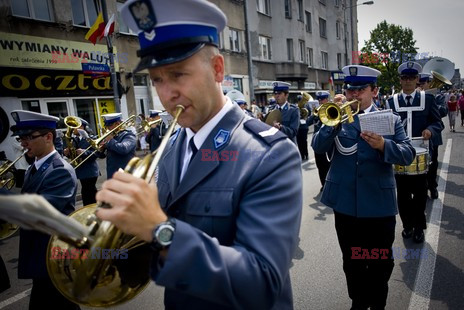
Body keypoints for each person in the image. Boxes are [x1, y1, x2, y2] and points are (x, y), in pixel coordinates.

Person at [95, 0, 303, 309]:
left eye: (178, 74)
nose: (167, 94)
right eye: (157, 80)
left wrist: (160, 229)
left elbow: (263, 282)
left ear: (218, 69)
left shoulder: (269, 154)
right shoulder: (173, 144)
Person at [312, 65, 415, 310]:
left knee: (381, 261)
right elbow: (318, 147)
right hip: (346, 204)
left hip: (378, 205)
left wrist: (382, 146)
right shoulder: (337, 116)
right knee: (352, 260)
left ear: (374, 91)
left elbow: (408, 153)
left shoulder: (390, 119)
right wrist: (331, 124)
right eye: (350, 90)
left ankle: (377, 301)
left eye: (360, 90)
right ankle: (358, 301)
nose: (354, 95)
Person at [9, 110, 79, 309]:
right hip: (40, 253)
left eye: (29, 137)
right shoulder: (35, 167)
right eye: (21, 138)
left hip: (53, 254)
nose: (23, 143)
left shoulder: (59, 170)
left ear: (49, 137)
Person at [387, 61, 443, 243]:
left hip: (421, 156)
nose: (408, 81)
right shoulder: (391, 101)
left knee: (420, 195)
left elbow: (438, 123)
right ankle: (407, 225)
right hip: (400, 155)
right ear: (401, 80)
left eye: (412, 77)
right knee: (402, 195)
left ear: (417, 79)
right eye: (405, 78)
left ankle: (419, 227)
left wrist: (430, 130)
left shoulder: (428, 99)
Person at [417, 73, 447, 200]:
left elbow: (443, 111)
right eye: (419, 84)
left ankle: (432, 187)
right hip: (419, 137)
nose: (421, 86)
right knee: (420, 166)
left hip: (433, 138)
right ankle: (422, 188)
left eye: (423, 84)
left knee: (432, 164)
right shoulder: (416, 97)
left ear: (429, 83)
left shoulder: (437, 97)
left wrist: (431, 101)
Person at [63, 119, 100, 206]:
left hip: (90, 170)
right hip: (81, 171)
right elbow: (73, 155)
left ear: (82, 127)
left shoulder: (91, 138)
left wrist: (84, 152)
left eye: (75, 127)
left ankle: (93, 209)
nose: (73, 129)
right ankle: (88, 209)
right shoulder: (74, 139)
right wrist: (67, 153)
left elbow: (96, 153)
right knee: (86, 192)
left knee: (90, 192)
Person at [98, 113, 136, 179]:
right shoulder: (112, 136)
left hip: (125, 174)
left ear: (118, 124)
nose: (107, 128)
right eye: (106, 126)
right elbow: (102, 156)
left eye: (109, 125)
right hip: (112, 174)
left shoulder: (128, 135)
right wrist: (101, 149)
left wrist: (110, 140)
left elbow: (124, 149)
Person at [307, 90, 332, 193]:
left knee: (330, 164)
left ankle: (331, 184)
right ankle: (324, 185)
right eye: (319, 100)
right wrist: (314, 115)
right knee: (320, 165)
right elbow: (307, 123)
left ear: (327, 99)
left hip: (330, 142)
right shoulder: (316, 111)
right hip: (318, 142)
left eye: (323, 99)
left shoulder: (331, 109)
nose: (321, 101)